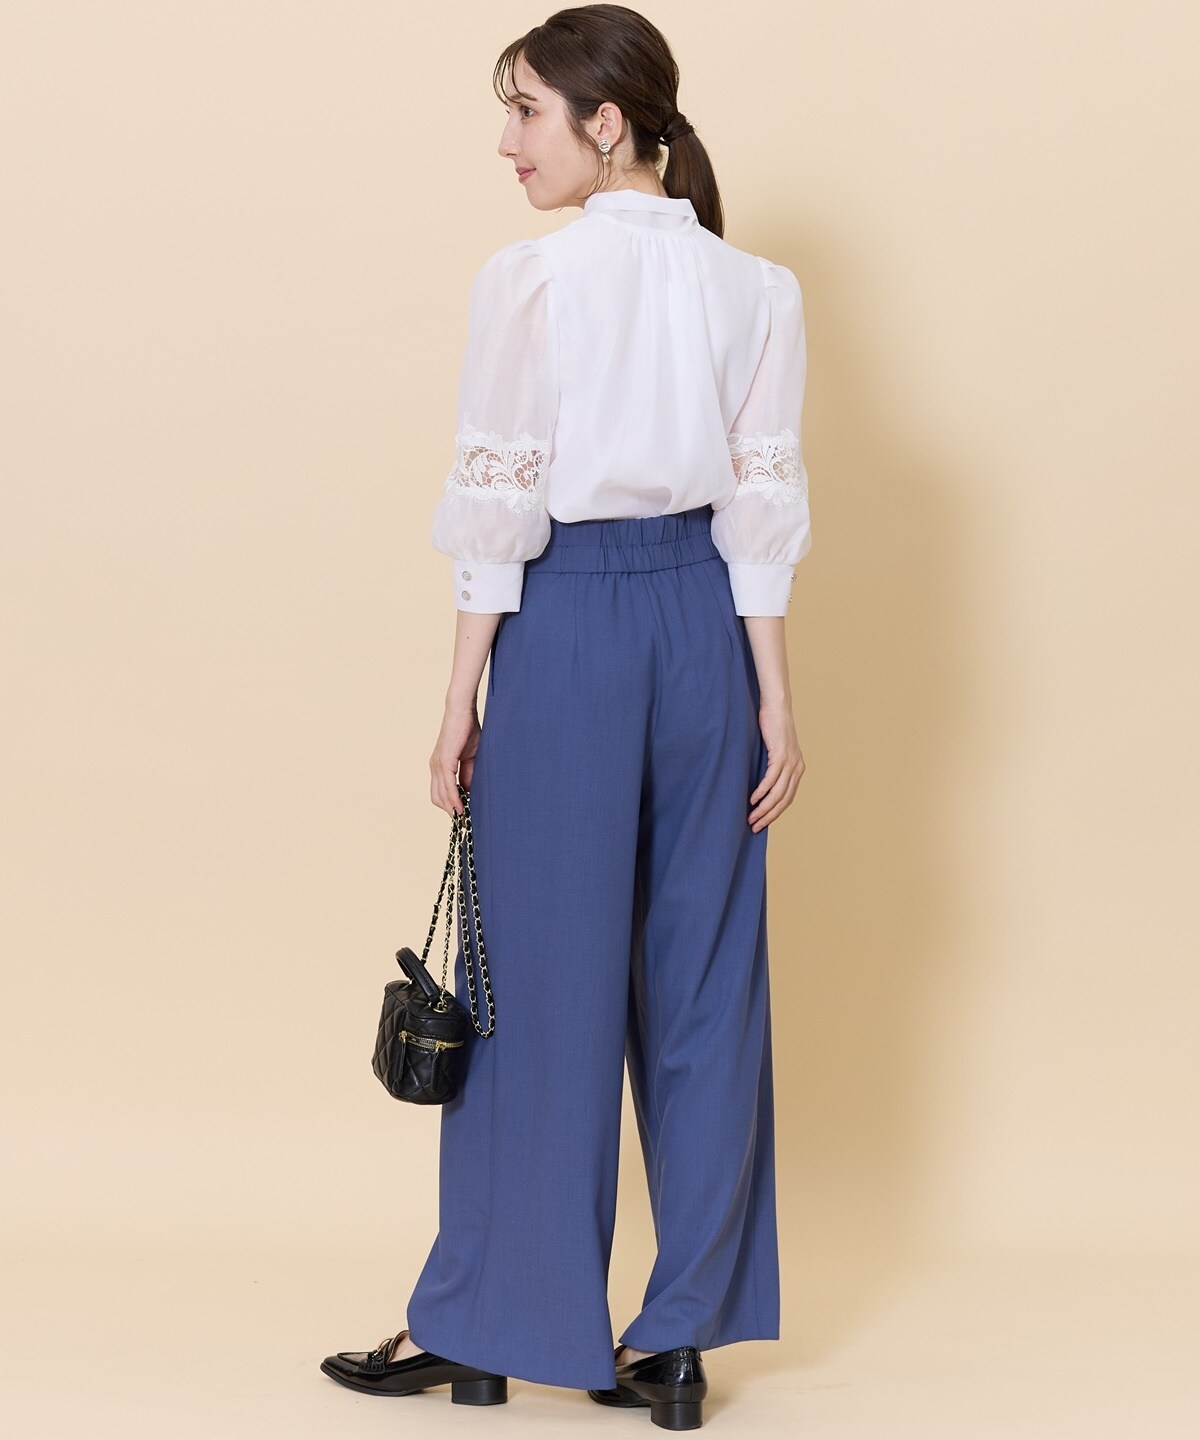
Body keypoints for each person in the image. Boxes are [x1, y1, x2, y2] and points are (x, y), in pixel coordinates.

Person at [320, 5, 811, 1429]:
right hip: (708, 638)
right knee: (706, 989)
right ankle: (680, 1342)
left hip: (571, 625)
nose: (506, 141)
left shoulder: (530, 280)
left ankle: (493, 1325)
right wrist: (775, 696)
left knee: (533, 987)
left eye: (527, 110)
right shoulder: (759, 287)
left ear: (609, 124)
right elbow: (761, 505)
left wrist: (459, 693)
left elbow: (500, 504)